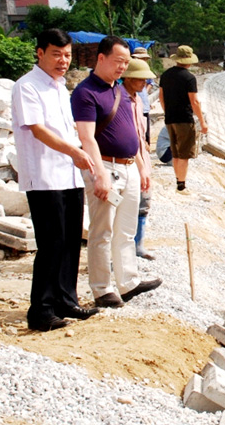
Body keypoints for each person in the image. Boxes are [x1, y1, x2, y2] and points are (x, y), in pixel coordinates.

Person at [11, 28, 99, 331]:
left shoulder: (60, 87)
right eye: (56, 54)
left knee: (72, 240)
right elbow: (37, 129)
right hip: (44, 175)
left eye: (67, 55)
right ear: (40, 53)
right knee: (52, 242)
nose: (63, 61)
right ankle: (41, 309)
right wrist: (74, 151)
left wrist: (76, 155)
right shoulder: (27, 86)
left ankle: (66, 299)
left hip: (69, 174)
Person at [71, 36, 162, 308]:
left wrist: (141, 165)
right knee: (102, 231)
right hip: (106, 167)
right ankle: (102, 288)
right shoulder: (86, 92)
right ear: (101, 58)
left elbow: (131, 131)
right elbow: (87, 138)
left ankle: (128, 281)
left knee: (125, 229)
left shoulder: (120, 91)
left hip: (128, 166)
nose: (122, 67)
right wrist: (98, 174)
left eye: (126, 62)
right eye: (118, 61)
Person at [159, 45, 207, 193]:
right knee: (184, 154)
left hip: (170, 119)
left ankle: (178, 180)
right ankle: (181, 185)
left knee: (175, 152)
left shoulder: (165, 75)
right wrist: (202, 122)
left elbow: (161, 97)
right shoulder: (189, 78)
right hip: (184, 119)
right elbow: (194, 101)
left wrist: (167, 111)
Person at [122, 58, 156, 261]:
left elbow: (140, 134)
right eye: (139, 79)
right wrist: (141, 166)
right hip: (129, 160)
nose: (144, 83)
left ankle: (138, 245)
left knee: (143, 203)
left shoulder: (137, 100)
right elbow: (130, 136)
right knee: (126, 206)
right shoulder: (121, 101)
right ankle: (123, 250)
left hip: (141, 157)